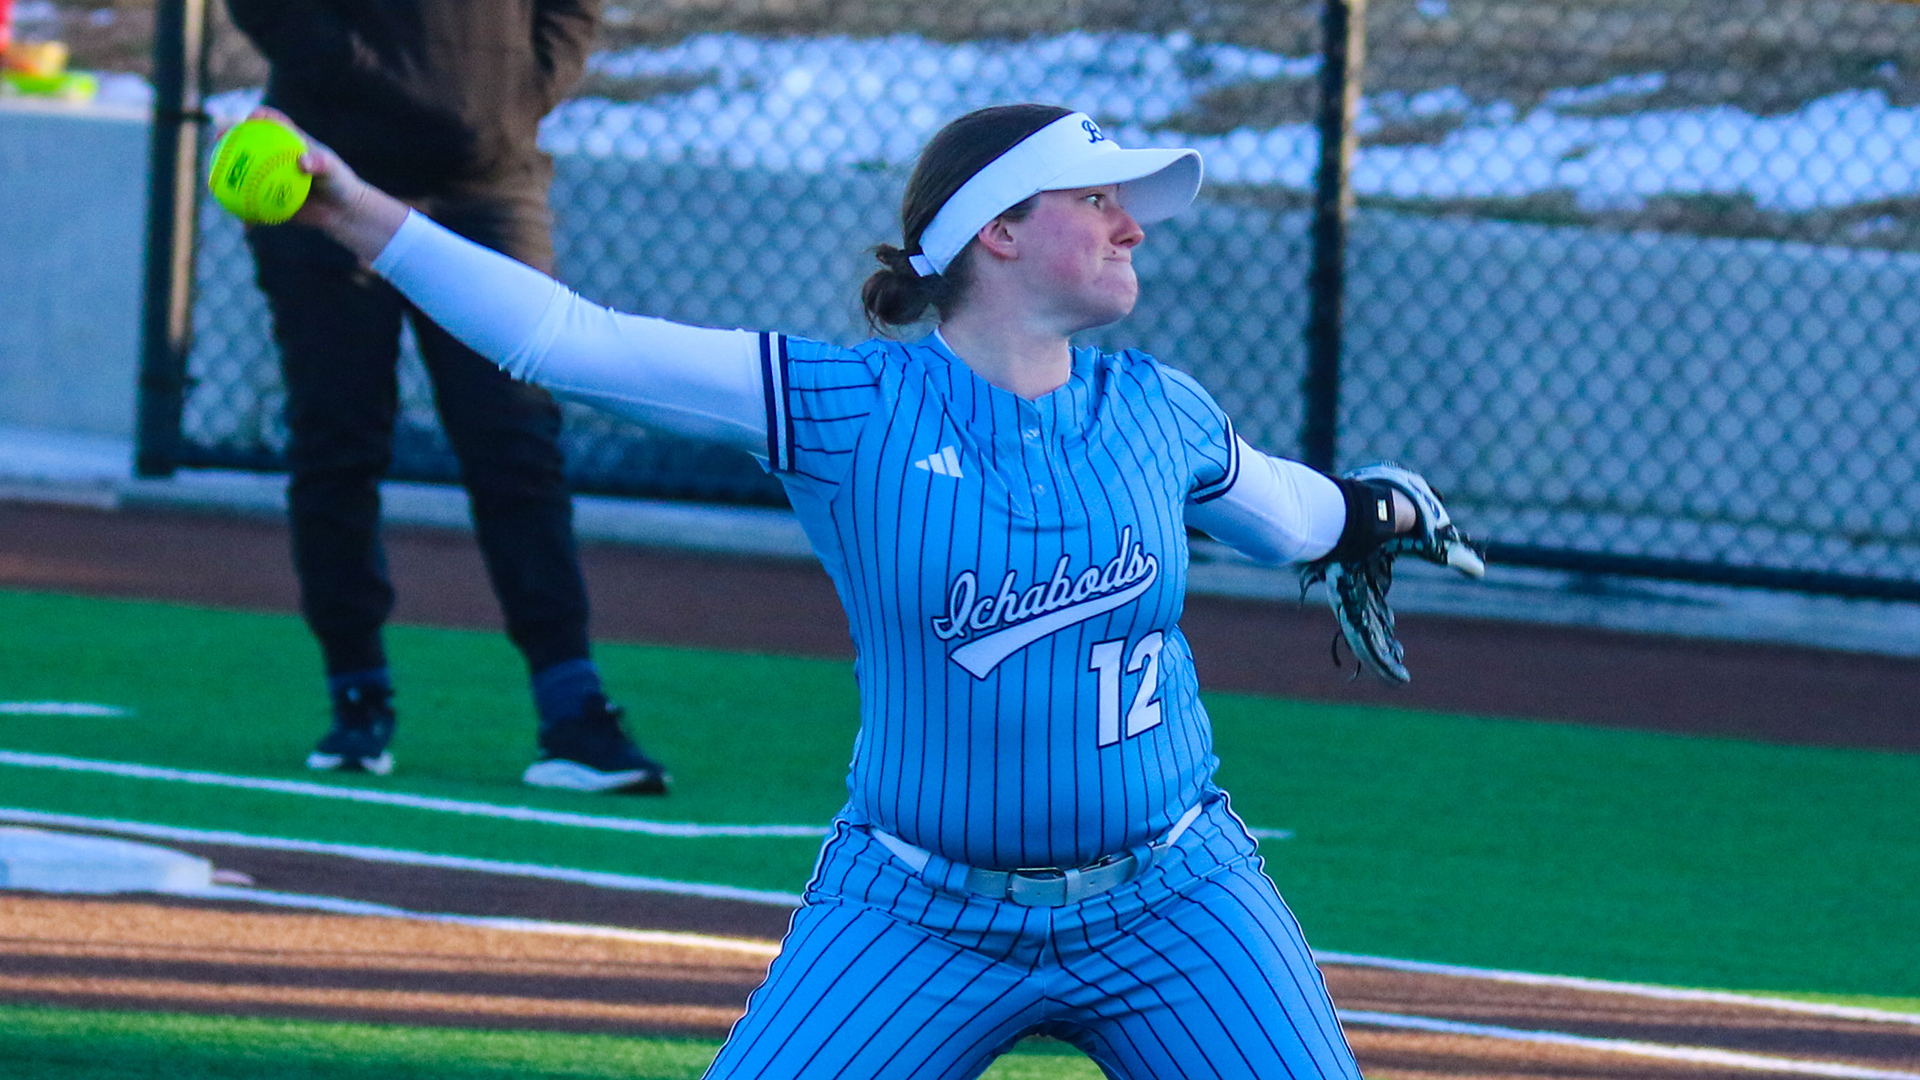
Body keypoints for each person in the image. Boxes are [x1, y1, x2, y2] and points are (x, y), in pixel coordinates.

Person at [259, 100, 1469, 1078]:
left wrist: (1383, 509)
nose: (1132, 229)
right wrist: (357, 213)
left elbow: (1292, 515)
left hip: (1175, 898)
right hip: (916, 912)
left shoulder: (1158, 409)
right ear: (998, 230)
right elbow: (566, 340)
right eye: (1098, 200)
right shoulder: (846, 406)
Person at [223, 0, 669, 793]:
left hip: (486, 186)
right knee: (338, 439)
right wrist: (366, 78)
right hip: (323, 176)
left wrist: (513, 94)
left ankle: (572, 708)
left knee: (516, 442)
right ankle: (356, 693)